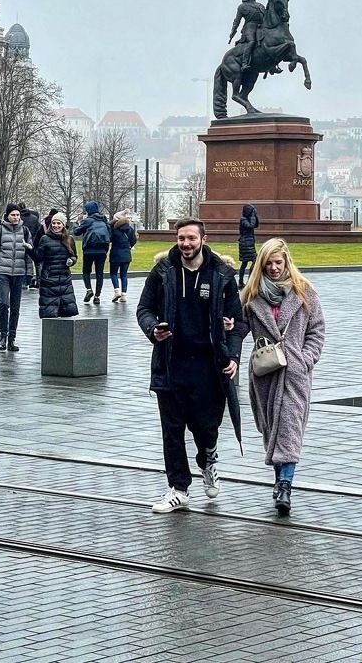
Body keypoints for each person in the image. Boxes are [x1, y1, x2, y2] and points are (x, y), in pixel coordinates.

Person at [136, 218, 245, 513]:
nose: (186, 244)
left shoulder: (221, 274)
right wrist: (152, 330)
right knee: (172, 429)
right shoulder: (162, 272)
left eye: (191, 239)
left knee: (206, 426)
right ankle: (179, 488)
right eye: (181, 238)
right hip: (171, 363)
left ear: (203, 239)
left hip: (209, 367)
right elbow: (144, 308)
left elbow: (239, 321)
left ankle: (208, 457)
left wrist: (233, 356)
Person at [240, 238, 325, 516]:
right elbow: (238, 329)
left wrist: (305, 359)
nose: (275, 268)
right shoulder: (251, 297)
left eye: (279, 262)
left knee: (289, 428)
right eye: (269, 264)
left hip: (295, 374)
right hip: (265, 374)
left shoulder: (304, 293)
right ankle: (280, 481)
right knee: (272, 429)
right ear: (261, 266)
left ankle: (285, 485)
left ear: (287, 261)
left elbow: (316, 330)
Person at [0, 203, 33, 351]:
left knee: (15, 307)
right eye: (13, 215)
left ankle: (12, 338)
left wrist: (29, 273)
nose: (16, 217)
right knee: (4, 304)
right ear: (7, 216)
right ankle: (2, 336)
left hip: (18, 273)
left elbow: (29, 254)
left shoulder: (25, 231)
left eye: (18, 215)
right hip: (3, 272)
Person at [35, 212, 79, 318]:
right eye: (54, 223)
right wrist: (30, 250)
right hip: (49, 279)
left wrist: (71, 260)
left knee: (67, 313)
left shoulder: (69, 239)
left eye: (58, 223)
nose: (56, 225)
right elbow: (38, 257)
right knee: (50, 314)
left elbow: (74, 256)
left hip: (64, 280)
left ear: (63, 225)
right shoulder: (45, 239)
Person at [73, 200, 111, 304]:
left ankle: (89, 290)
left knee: (86, 271)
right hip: (102, 251)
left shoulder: (87, 221)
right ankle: (97, 296)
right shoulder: (104, 220)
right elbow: (110, 235)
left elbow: (76, 232)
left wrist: (76, 223)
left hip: (88, 250)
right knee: (99, 273)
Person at [228, 0, 266, 70]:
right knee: (252, 42)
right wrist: (233, 32)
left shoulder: (260, 6)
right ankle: (244, 63)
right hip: (249, 27)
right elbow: (237, 21)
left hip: (261, 26)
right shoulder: (242, 7)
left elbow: (266, 17)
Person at [110, 208, 138, 302]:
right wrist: (129, 246)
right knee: (124, 275)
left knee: (113, 273)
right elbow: (134, 240)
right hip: (126, 254)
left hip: (115, 254)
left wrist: (112, 222)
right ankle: (124, 295)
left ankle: (116, 290)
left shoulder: (114, 229)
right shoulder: (130, 229)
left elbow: (109, 238)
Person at [19, 201, 42, 289]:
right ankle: (38, 280)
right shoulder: (34, 218)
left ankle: (25, 281)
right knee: (36, 262)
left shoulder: (18, 218)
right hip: (33, 241)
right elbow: (38, 230)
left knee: (23, 262)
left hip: (21, 242)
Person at [237, 203, 259, 288]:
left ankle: (244, 282)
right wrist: (253, 216)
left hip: (249, 243)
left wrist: (255, 216)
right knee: (250, 262)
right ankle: (245, 282)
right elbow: (251, 225)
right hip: (245, 243)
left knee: (247, 262)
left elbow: (256, 225)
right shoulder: (243, 219)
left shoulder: (248, 218)